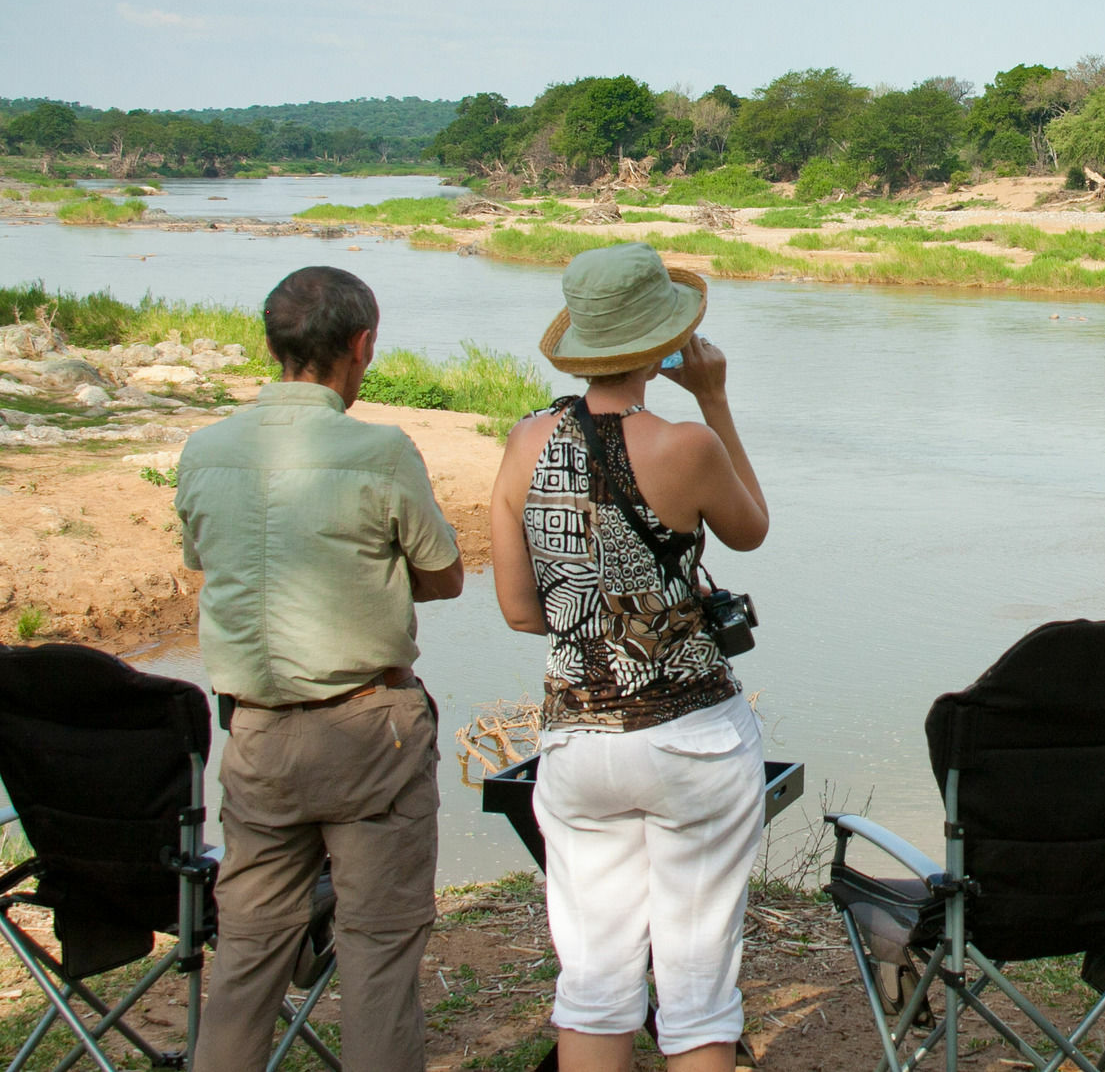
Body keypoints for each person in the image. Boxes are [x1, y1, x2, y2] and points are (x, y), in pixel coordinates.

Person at [489, 244, 770, 1072]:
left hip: (579, 739)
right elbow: (750, 528)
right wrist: (715, 399)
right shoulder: (687, 444)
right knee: (697, 986)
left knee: (596, 981)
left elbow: (517, 610)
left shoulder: (523, 443)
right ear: (660, 347)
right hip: (694, 738)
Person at [176, 266, 464, 1072]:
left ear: (272, 345)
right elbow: (443, 574)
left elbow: (203, 555)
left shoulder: (206, 448)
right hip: (371, 732)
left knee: (246, 953)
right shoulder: (380, 449)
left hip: (257, 735)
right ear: (361, 345)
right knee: (378, 950)